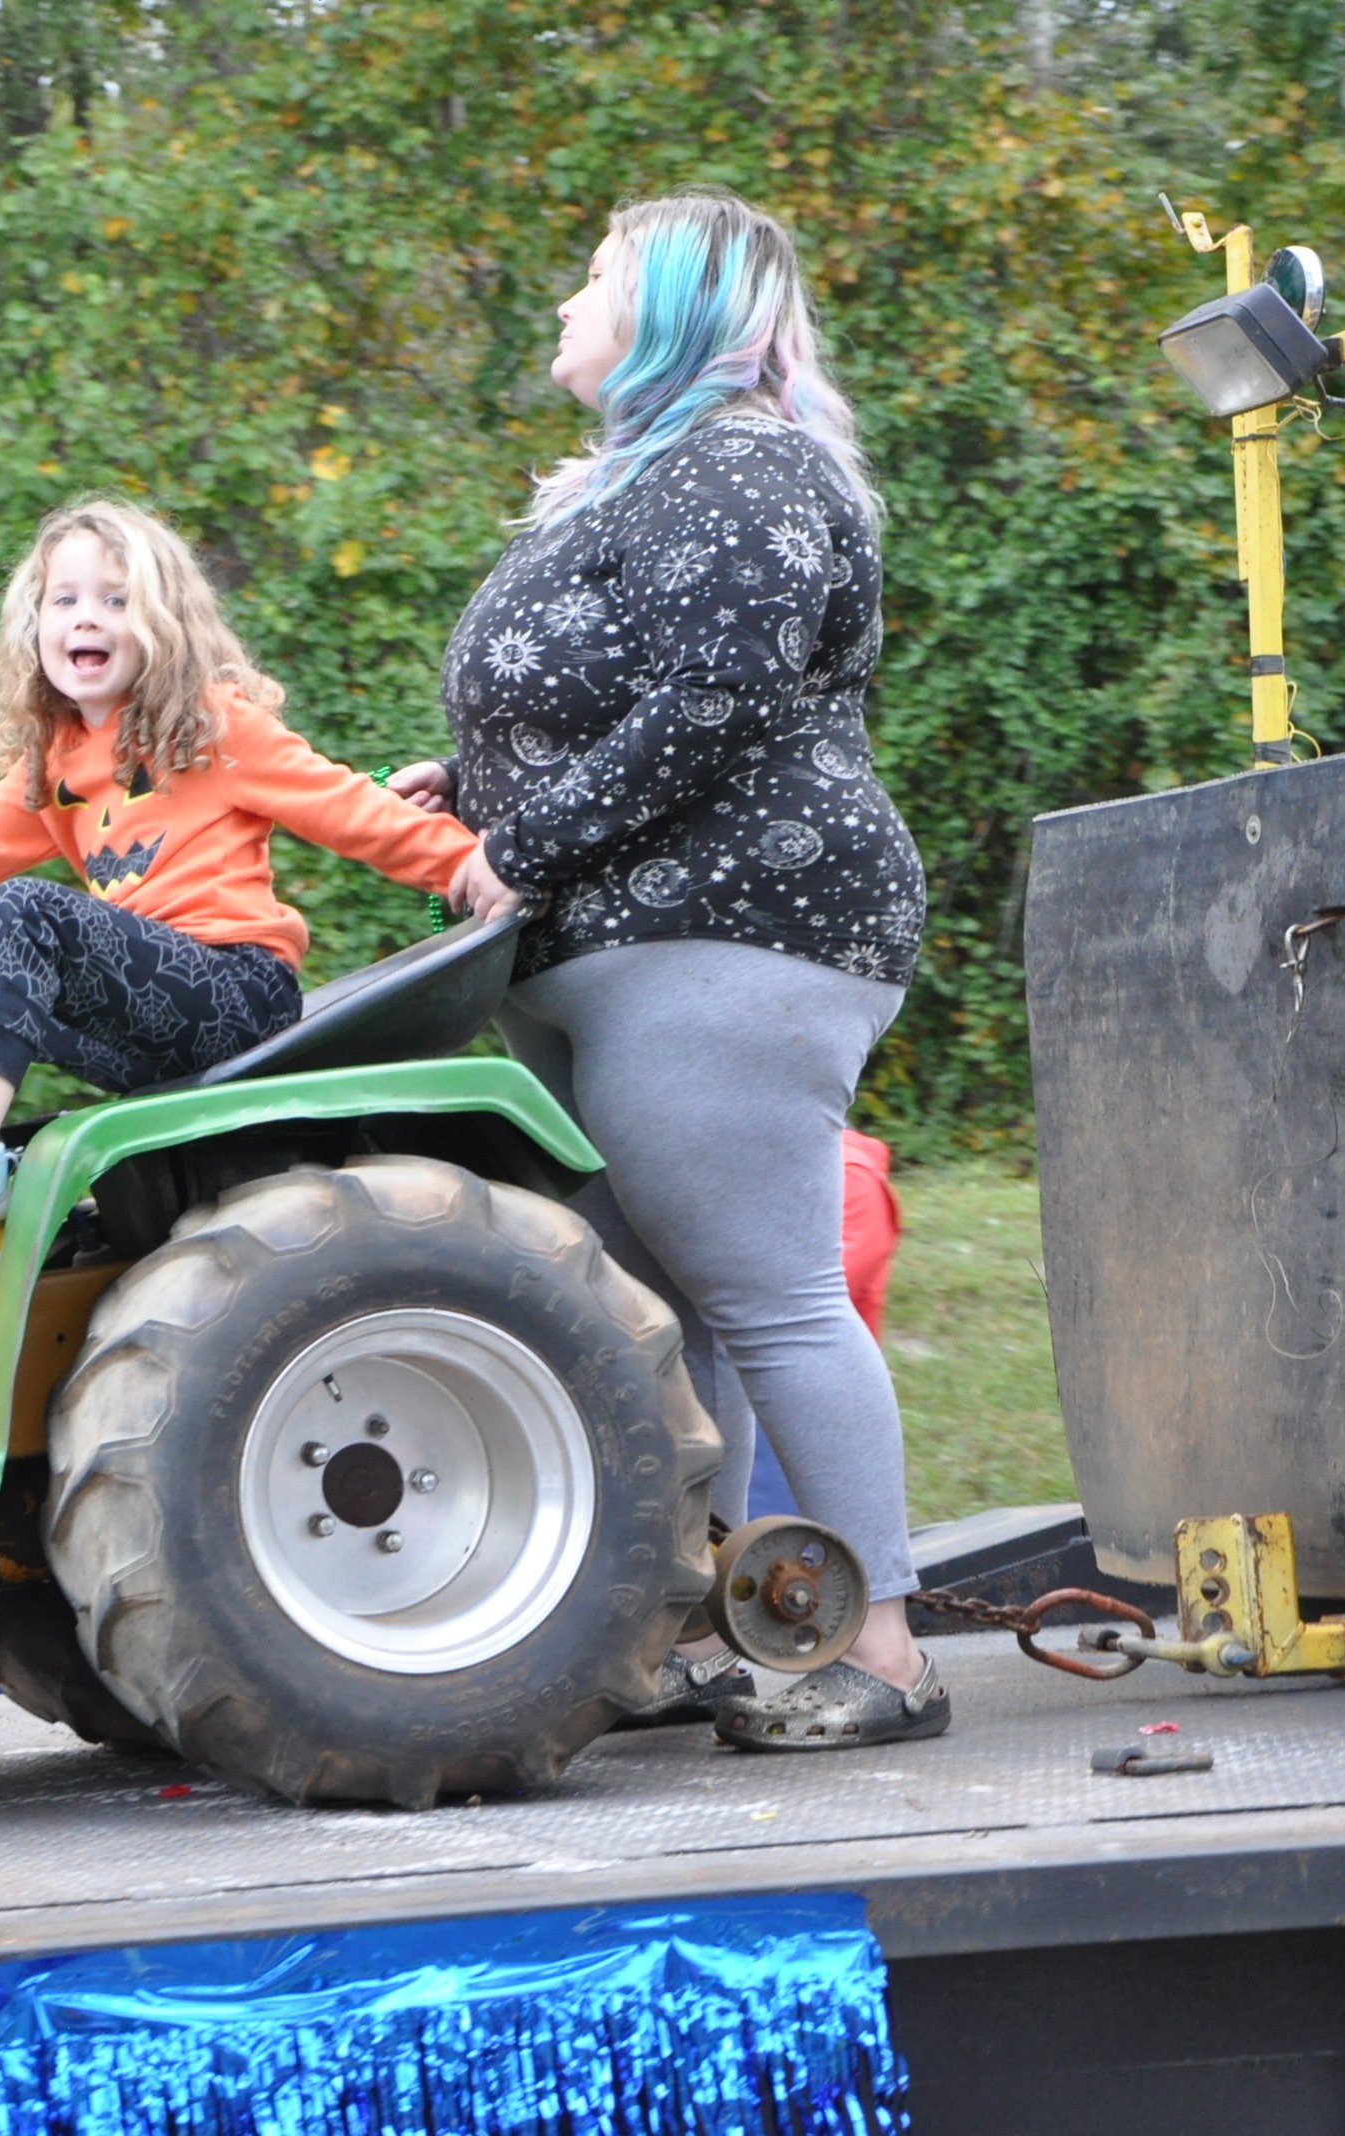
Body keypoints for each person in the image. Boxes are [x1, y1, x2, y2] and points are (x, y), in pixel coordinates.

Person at [390, 189, 937, 1750]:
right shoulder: (654, 479)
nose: (568, 298)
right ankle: (717, 1623)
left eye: (597, 276)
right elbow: (633, 692)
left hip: (738, 928)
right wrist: (475, 778)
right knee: (668, 1304)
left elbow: (721, 701)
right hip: (626, 933)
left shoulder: (746, 466)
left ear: (679, 310)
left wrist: (530, 834)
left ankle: (885, 1648)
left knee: (765, 1294)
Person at [0, 496, 513, 1224]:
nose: (86, 616)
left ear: (164, 624)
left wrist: (471, 866)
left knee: (27, 910)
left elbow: (352, 809)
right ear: (35, 629)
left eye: (116, 600)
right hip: (146, 1019)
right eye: (64, 600)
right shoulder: (56, 760)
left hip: (233, 990)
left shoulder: (214, 725)